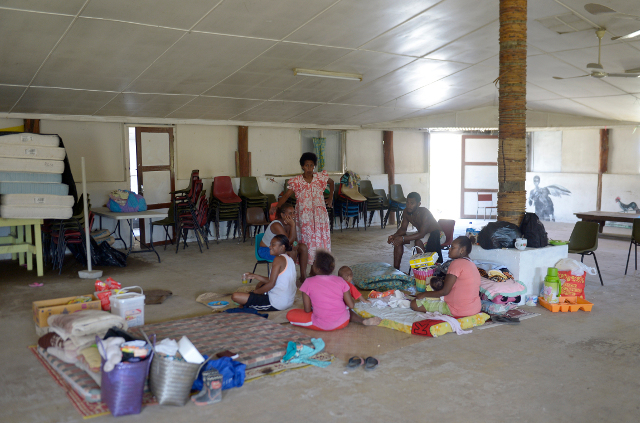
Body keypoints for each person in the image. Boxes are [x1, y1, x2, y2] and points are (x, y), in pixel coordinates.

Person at [286, 251, 381, 331]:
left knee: (290, 314)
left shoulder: (308, 282)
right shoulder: (341, 280)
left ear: (315, 268)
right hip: (343, 322)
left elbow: (307, 310)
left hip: (322, 324)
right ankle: (362, 320)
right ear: (333, 268)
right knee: (345, 309)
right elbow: (351, 305)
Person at [271, 152, 334, 265]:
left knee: (320, 239)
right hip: (304, 216)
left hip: (319, 215)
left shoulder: (320, 177)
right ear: (302, 166)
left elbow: (332, 182)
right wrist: (276, 207)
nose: (309, 168)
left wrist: (330, 198)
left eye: (311, 165)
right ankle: (306, 265)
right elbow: (286, 196)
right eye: (306, 165)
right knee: (307, 239)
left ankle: (319, 264)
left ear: (314, 166)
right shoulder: (297, 181)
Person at [410, 236, 481, 318]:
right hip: (475, 308)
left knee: (414, 304)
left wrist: (423, 294)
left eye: (453, 247)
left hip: (459, 310)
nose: (449, 249)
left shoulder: (456, 263)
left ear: (462, 250)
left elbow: (444, 292)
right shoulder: (471, 264)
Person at [232, 235, 297, 312]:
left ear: (282, 247)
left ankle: (252, 302)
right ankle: (254, 299)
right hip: (288, 301)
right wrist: (255, 276)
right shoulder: (289, 258)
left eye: (273, 245)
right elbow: (273, 280)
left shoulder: (278, 259)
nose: (270, 247)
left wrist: (254, 293)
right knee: (260, 284)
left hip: (276, 303)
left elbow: (271, 284)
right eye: (270, 244)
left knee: (235, 296)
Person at [387, 192, 442, 270]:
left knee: (418, 241)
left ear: (419, 204)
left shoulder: (425, 212)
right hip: (422, 233)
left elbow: (421, 234)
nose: (409, 205)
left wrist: (403, 238)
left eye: (412, 203)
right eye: (407, 202)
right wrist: (394, 236)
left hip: (436, 234)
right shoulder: (406, 211)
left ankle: (423, 270)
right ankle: (396, 270)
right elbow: (403, 229)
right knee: (398, 239)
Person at [259, 203, 309, 285]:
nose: (293, 215)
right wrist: (293, 226)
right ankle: (291, 278)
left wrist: (295, 244)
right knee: (291, 252)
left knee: (303, 247)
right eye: (290, 213)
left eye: (294, 212)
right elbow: (288, 242)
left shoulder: (289, 223)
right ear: (282, 215)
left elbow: (294, 240)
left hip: (281, 247)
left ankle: (303, 277)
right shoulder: (276, 224)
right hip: (267, 250)